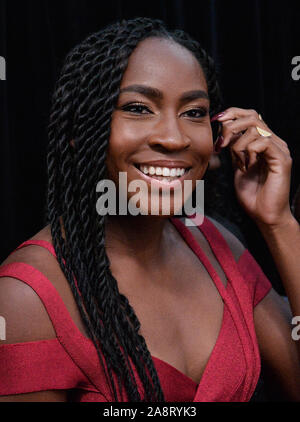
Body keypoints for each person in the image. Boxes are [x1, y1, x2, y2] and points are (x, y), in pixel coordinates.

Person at [0, 17, 300, 402]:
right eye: (139, 108)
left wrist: (278, 223)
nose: (173, 138)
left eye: (193, 112)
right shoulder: (24, 299)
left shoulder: (215, 245)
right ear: (79, 130)